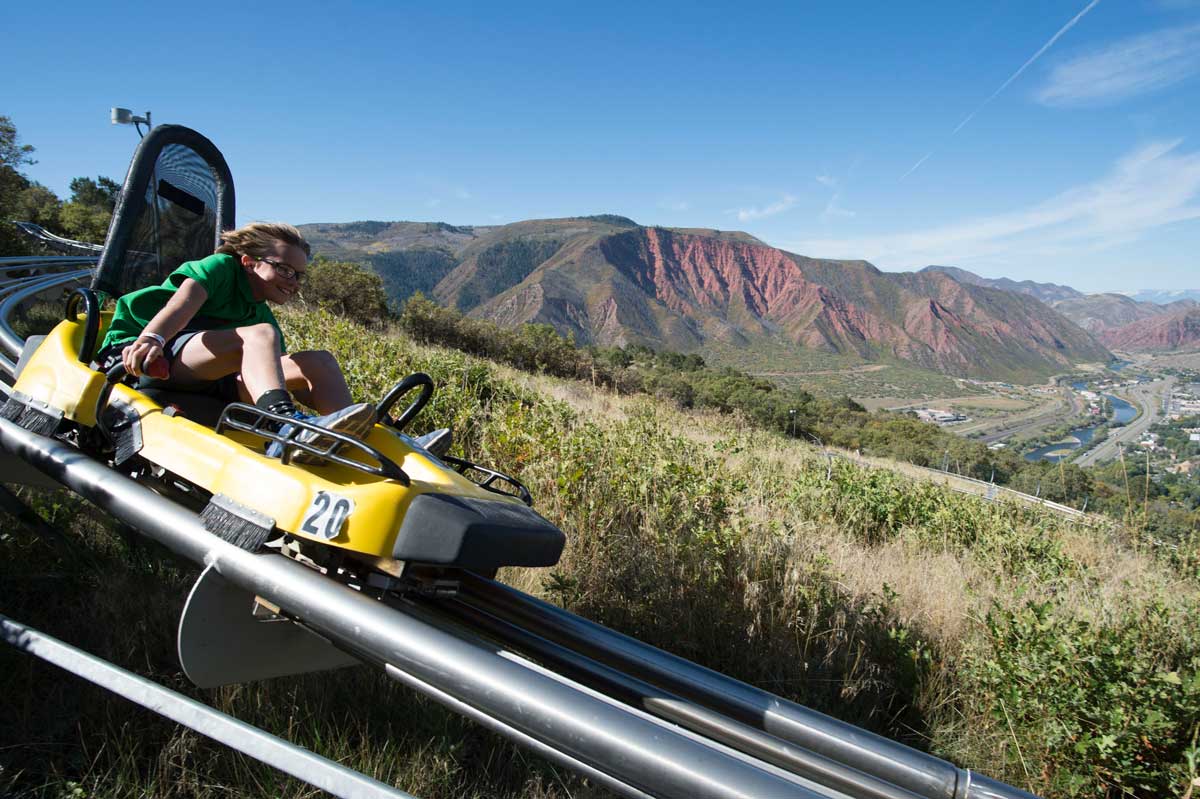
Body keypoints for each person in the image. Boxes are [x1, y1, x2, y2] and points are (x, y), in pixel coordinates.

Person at [94, 221, 376, 460]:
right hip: (144, 355)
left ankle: (360, 443)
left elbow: (279, 378)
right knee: (260, 334)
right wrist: (152, 338)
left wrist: (358, 413)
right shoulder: (221, 268)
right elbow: (181, 305)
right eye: (284, 269)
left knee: (319, 361)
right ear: (249, 262)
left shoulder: (260, 312)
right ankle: (285, 428)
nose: (293, 282)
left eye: (298, 275)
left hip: (205, 377)